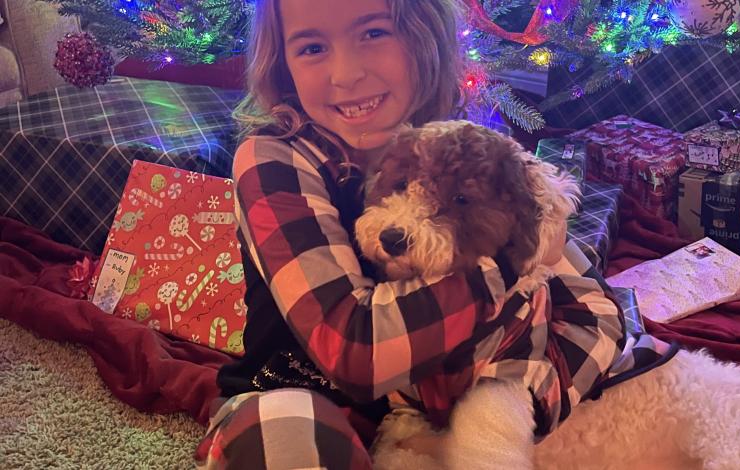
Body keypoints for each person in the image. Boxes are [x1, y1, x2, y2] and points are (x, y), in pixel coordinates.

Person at [195, 1, 676, 469]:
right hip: (294, 392)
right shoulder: (273, 160)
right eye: (312, 48)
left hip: (429, 416)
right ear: (283, 66)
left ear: (424, 36)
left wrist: (521, 390)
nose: (344, 74)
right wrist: (510, 262)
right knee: (283, 423)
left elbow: (600, 316)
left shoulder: (460, 147)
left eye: (373, 33)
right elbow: (354, 352)